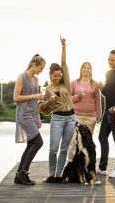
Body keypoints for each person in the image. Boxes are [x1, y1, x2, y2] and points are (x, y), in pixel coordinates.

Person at [40, 36, 76, 180]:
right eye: (55, 76)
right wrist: (49, 100)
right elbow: (43, 109)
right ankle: (51, 174)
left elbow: (63, 62)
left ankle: (59, 173)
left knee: (64, 148)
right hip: (58, 119)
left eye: (59, 76)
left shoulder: (65, 84)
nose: (57, 78)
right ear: (50, 75)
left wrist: (63, 47)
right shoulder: (47, 89)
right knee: (53, 148)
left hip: (71, 118)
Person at [14, 54, 46, 185]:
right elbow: (16, 97)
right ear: (34, 65)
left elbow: (35, 101)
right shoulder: (22, 77)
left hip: (32, 114)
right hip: (23, 115)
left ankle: (18, 176)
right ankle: (23, 172)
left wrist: (38, 118)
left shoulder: (36, 79)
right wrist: (34, 95)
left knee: (31, 144)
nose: (41, 70)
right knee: (38, 142)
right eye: (41, 67)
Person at [97, 50, 115, 178]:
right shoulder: (108, 73)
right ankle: (102, 167)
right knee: (102, 137)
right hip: (106, 112)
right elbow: (108, 94)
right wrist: (102, 89)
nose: (110, 62)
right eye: (109, 59)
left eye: (112, 60)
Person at [71, 62, 101, 134]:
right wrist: (77, 96)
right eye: (84, 68)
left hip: (90, 118)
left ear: (91, 71)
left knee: (87, 142)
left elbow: (98, 101)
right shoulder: (74, 83)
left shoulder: (95, 84)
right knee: (74, 141)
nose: (86, 69)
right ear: (81, 70)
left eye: (88, 68)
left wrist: (98, 116)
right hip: (76, 116)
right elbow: (68, 99)